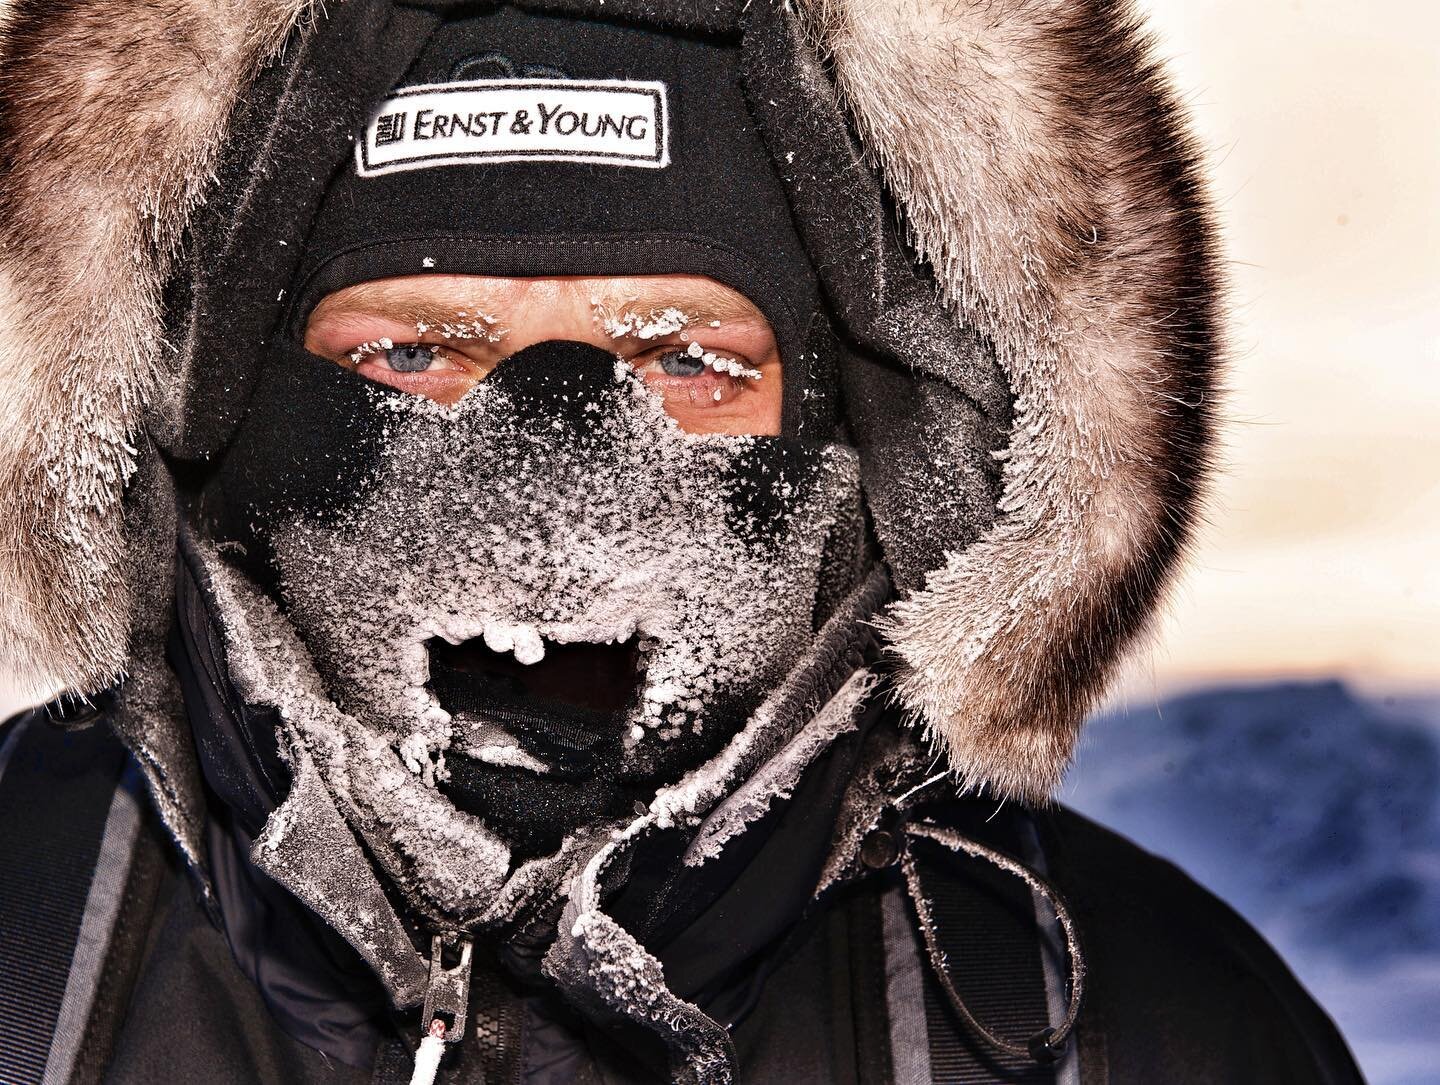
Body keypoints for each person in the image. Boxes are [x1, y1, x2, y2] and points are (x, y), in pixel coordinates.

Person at [0, 1, 1363, 1082]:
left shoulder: (1145, 1030)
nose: (553, 465)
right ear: (227, 415)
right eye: (416, 351)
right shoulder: (28, 958)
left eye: (686, 359)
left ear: (862, 439)